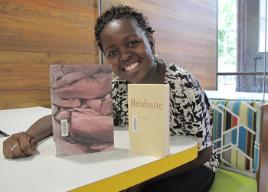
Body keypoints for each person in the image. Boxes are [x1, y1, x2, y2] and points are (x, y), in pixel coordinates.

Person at [3, 5, 218, 192]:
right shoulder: (115, 86)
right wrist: (26, 135)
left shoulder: (181, 84)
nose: (124, 55)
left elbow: (204, 153)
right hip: (141, 163)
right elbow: (64, 117)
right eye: (113, 52)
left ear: (150, 40)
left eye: (132, 43)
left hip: (193, 166)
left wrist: (144, 180)